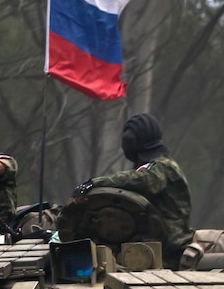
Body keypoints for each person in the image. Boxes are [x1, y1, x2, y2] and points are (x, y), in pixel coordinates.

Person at [72, 113, 193, 268]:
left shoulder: (164, 168)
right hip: (142, 250)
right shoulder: (150, 168)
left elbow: (143, 180)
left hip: (170, 252)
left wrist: (93, 183)